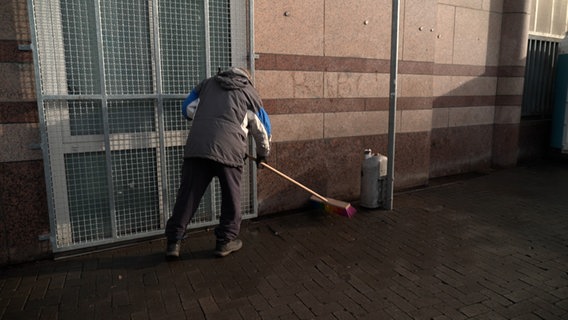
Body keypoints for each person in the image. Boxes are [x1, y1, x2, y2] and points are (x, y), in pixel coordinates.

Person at [165, 67, 271, 259]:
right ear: (247, 78)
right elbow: (262, 130)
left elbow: (187, 109)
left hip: (197, 148)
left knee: (188, 195)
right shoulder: (249, 93)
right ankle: (225, 241)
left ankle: (174, 242)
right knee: (231, 197)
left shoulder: (207, 84)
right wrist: (263, 155)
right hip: (229, 152)